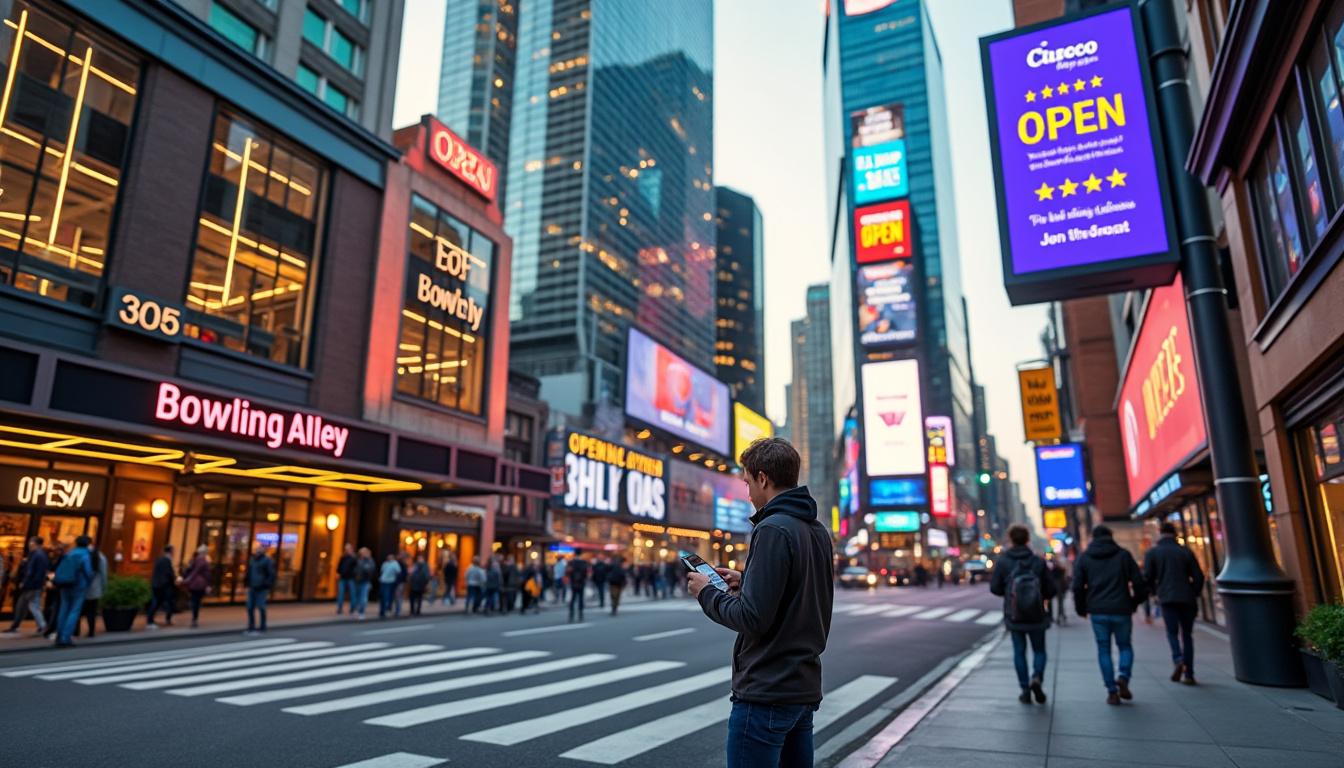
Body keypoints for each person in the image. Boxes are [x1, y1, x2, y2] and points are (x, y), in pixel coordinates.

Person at [690, 437, 833, 768]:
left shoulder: (772, 529)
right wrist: (747, 581)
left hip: (767, 691)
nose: (748, 493)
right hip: (801, 688)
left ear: (763, 479)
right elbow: (801, 593)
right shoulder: (817, 531)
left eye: (748, 482)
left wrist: (706, 592)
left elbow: (751, 618)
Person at [1074, 525, 1149, 704]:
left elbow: (1077, 586)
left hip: (1098, 610)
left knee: (1103, 649)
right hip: (1121, 608)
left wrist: (1081, 609)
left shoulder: (1085, 557)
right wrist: (1134, 602)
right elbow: (1139, 582)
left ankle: (1112, 691)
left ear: (1092, 537)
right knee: (1125, 646)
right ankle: (1123, 676)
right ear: (1111, 536)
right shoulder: (1123, 555)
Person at [990, 524, 1057, 704]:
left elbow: (995, 588)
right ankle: (1037, 677)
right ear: (1027, 539)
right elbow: (1051, 589)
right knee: (1039, 650)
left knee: (1019, 652)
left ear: (1010, 539)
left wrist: (1009, 593)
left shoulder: (1004, 561)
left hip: (1015, 615)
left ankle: (1025, 690)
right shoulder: (1038, 561)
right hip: (1036, 614)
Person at [1144, 522, 1206, 685]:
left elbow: (1147, 577)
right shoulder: (1185, 551)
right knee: (1187, 635)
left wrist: (1155, 593)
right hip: (1186, 597)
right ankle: (1189, 673)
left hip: (1167, 598)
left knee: (1172, 633)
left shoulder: (1153, 552)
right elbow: (1198, 576)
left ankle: (1178, 659)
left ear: (1160, 533)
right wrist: (1193, 592)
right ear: (1175, 534)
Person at [52, 535, 96, 647]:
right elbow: (88, 572)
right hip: (79, 585)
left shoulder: (69, 553)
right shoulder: (85, 555)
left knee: (63, 609)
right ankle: (66, 637)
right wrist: (90, 580)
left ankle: (59, 635)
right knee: (74, 611)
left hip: (64, 584)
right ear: (88, 544)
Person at [4, 536, 49, 635]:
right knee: (27, 605)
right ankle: (17, 625)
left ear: (33, 543)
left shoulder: (36, 554)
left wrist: (24, 582)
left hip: (31, 584)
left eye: (30, 542)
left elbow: (31, 571)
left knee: (31, 605)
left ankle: (42, 626)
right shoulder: (42, 554)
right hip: (36, 584)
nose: (29, 544)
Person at [77, 540, 108, 638]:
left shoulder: (81, 555)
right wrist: (104, 587)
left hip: (80, 587)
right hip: (95, 588)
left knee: (77, 610)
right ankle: (91, 631)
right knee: (91, 611)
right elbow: (103, 574)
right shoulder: (100, 557)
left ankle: (75, 631)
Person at [245, 546, 276, 635]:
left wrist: (266, 584)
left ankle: (263, 626)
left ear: (263, 551)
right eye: (257, 549)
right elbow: (249, 572)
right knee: (249, 607)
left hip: (262, 588)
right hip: (252, 587)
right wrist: (247, 583)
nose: (258, 551)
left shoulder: (267, 560)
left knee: (261, 606)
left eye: (260, 550)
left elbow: (271, 574)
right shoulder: (252, 560)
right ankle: (251, 626)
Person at [146, 544, 177, 629]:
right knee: (164, 602)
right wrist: (175, 579)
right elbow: (169, 573)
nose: (174, 553)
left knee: (156, 602)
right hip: (163, 585)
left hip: (156, 584)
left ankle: (151, 620)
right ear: (170, 551)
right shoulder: (166, 560)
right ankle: (151, 621)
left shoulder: (159, 559)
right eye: (173, 551)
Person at [182, 545, 212, 628]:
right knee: (197, 602)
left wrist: (187, 579)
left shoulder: (194, 560)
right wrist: (208, 585)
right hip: (199, 584)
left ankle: (194, 618)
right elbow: (201, 573)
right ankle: (194, 619)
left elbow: (190, 570)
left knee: (195, 600)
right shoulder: (203, 561)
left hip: (194, 584)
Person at [566, 549, 590, 623]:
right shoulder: (584, 562)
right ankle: (580, 614)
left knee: (573, 598)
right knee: (581, 599)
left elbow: (568, 572)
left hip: (573, 583)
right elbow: (586, 573)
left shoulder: (571, 562)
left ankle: (571, 614)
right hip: (581, 583)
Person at [353, 547, 375, 620]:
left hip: (365, 581)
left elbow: (371, 570)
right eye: (361, 553)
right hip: (357, 581)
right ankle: (356, 610)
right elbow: (354, 569)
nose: (362, 554)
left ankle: (361, 612)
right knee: (357, 597)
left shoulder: (369, 561)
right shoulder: (358, 560)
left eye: (363, 553)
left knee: (363, 598)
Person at [335, 543, 357, 615]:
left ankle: (352, 608)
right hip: (343, 578)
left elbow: (357, 568)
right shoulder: (343, 557)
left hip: (351, 578)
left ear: (351, 549)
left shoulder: (354, 558)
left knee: (352, 593)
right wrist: (338, 573)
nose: (347, 550)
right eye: (346, 549)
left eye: (348, 549)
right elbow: (339, 566)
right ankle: (339, 608)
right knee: (341, 593)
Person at [1049, 557, 1070, 626]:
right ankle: (1059, 615)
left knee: (1060, 601)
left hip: (1059, 584)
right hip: (1057, 584)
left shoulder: (1061, 563)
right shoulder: (1052, 564)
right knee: (1059, 602)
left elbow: (1065, 572)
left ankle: (1059, 616)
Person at [378, 554, 400, 619]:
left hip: (390, 582)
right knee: (382, 597)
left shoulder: (395, 563)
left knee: (386, 597)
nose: (389, 558)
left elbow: (398, 572)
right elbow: (382, 571)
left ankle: (386, 610)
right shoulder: (385, 563)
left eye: (390, 557)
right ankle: (382, 611)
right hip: (383, 581)